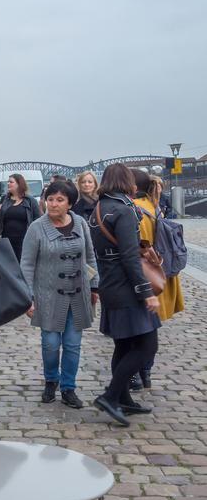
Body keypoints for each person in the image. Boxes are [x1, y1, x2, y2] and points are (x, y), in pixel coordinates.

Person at [89, 163, 161, 427]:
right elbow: (130, 257)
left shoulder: (98, 208)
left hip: (110, 283)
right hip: (127, 287)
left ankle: (123, 398)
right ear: (127, 181)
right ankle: (109, 396)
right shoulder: (124, 210)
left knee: (124, 344)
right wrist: (146, 292)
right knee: (146, 346)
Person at [21, 179, 99, 408]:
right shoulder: (37, 228)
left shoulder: (81, 224)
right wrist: (28, 297)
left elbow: (90, 256)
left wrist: (94, 286)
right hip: (48, 296)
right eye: (50, 199)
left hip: (78, 294)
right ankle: (51, 380)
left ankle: (68, 388)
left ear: (70, 204)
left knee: (73, 345)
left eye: (59, 200)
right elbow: (26, 264)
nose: (53, 204)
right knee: (51, 344)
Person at [130, 169, 184, 389]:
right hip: (159, 272)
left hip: (145, 273)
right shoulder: (154, 206)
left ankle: (136, 371)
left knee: (138, 327)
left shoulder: (136, 210)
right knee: (150, 326)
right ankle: (146, 371)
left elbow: (138, 245)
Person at [0, 173, 40, 261]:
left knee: (22, 263)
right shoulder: (5, 199)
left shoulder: (30, 200)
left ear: (19, 184)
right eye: (8, 182)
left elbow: (37, 219)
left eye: (11, 182)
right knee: (9, 264)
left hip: (24, 239)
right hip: (7, 239)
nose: (8, 184)